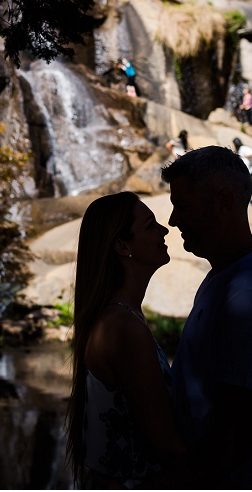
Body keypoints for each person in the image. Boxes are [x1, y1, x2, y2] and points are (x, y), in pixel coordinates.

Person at [162, 147, 252, 489]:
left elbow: (231, 441)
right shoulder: (228, 276)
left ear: (224, 203)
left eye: (183, 206)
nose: (172, 220)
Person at [64, 192, 187, 488]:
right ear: (122, 246)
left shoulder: (121, 317)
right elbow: (167, 445)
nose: (164, 230)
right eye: (150, 225)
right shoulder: (122, 327)